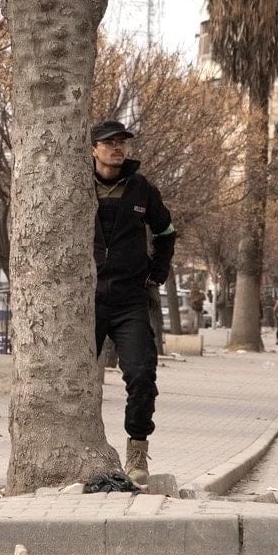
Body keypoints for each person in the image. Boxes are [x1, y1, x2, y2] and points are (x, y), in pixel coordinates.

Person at [90, 119, 176, 484]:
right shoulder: (78, 186)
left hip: (130, 300)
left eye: (122, 142)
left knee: (142, 374)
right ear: (93, 148)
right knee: (76, 378)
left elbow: (166, 232)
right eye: (109, 142)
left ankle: (137, 451)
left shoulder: (142, 189)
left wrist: (156, 273)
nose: (117, 148)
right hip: (87, 300)